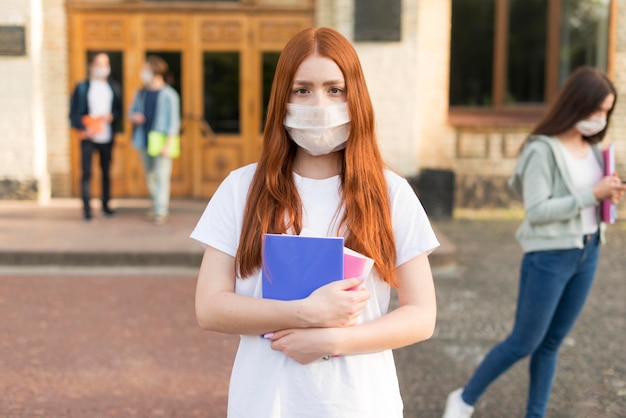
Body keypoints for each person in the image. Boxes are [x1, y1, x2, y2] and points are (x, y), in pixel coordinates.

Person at [191, 27, 439, 418]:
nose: (319, 103)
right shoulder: (241, 188)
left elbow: (422, 315)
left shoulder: (390, 192)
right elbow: (209, 307)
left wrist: (334, 341)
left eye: (334, 89)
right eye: (302, 89)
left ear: (354, 96)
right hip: (265, 403)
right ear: (282, 99)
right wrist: (306, 313)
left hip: (361, 403)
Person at [442, 66, 626, 418]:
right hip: (549, 256)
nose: (600, 119)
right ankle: (464, 399)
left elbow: (589, 198)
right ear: (576, 104)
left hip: (588, 250)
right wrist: (592, 194)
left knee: (552, 343)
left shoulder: (593, 147)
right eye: (596, 110)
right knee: (524, 342)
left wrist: (607, 196)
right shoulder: (542, 150)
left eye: (606, 111)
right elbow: (538, 211)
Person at [69, 51, 123, 221]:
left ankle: (106, 205)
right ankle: (87, 210)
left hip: (106, 136)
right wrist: (84, 128)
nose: (103, 68)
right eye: (99, 64)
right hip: (88, 136)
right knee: (86, 173)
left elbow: (118, 110)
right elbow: (73, 114)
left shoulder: (113, 87)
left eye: (105, 64)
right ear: (91, 66)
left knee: (106, 172)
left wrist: (111, 116)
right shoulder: (82, 87)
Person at [129, 55, 181, 226]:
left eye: (146, 70)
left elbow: (174, 122)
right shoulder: (141, 92)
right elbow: (131, 113)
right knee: (149, 176)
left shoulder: (169, 95)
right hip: (143, 139)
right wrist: (135, 117)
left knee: (161, 176)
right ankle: (155, 206)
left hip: (162, 141)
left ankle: (160, 210)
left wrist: (168, 144)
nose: (143, 73)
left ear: (155, 71)